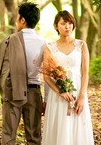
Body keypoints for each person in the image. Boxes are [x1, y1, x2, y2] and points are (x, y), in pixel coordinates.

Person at [40, 10, 94, 145]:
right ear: (56, 26)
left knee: (77, 129)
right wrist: (61, 92)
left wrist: (82, 97)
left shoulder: (81, 45)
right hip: (58, 96)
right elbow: (46, 77)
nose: (67, 26)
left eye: (70, 23)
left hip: (77, 93)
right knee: (59, 129)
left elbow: (85, 73)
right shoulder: (49, 47)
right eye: (63, 23)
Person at [0, 2, 46, 145]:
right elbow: (48, 73)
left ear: (22, 20)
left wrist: (4, 91)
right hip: (34, 93)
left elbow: (0, 69)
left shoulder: (9, 41)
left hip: (12, 92)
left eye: (18, 17)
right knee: (34, 137)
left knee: (8, 135)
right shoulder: (43, 43)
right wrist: (46, 99)